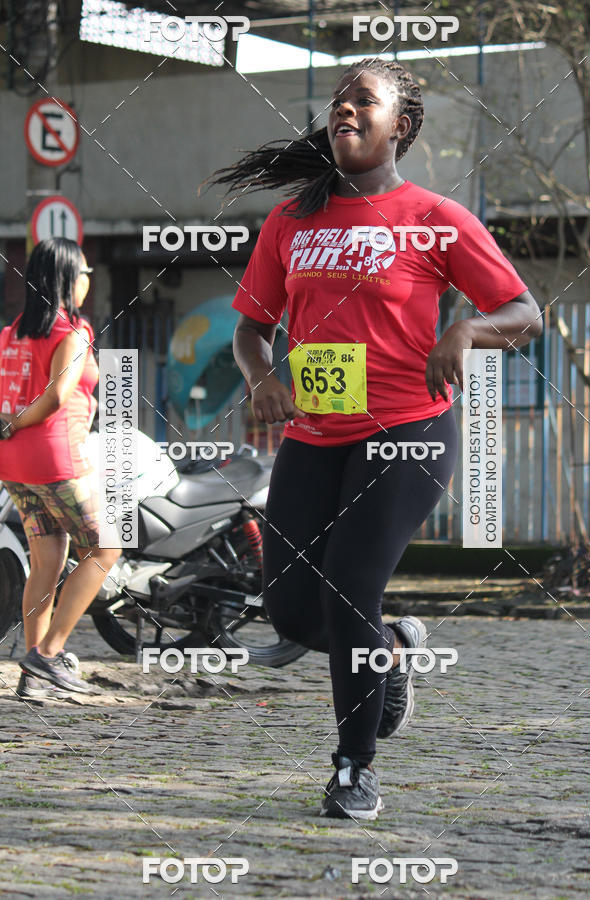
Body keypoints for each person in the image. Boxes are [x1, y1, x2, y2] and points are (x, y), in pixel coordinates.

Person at [203, 58, 543, 819]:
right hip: (316, 435)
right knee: (292, 612)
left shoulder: (436, 218)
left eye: (365, 101)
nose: (345, 110)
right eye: (339, 100)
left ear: (403, 125)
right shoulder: (292, 220)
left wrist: (467, 328)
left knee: (348, 583)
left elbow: (526, 312)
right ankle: (389, 646)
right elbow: (251, 332)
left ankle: (354, 768)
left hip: (407, 432)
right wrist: (261, 378)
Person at [0, 238, 121, 699]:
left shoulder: (11, 332)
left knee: (47, 560)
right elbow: (55, 396)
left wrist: (7, 425)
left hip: (13, 466)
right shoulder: (73, 330)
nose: (89, 279)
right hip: (55, 460)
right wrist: (16, 422)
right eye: (85, 271)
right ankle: (48, 654)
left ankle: (33, 677)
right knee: (107, 546)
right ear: (70, 279)